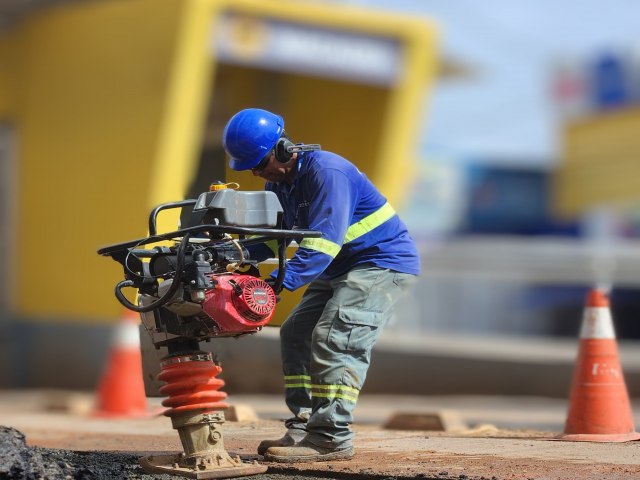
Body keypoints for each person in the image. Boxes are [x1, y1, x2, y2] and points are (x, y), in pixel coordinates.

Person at [222, 108, 420, 463]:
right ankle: (303, 425)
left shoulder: (327, 173)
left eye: (261, 163)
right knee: (296, 332)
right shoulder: (280, 183)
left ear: (283, 149)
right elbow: (280, 240)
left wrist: (276, 284)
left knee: (334, 337)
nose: (256, 172)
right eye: (250, 167)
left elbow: (323, 243)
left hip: (379, 263)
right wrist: (234, 251)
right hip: (339, 266)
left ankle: (331, 436)